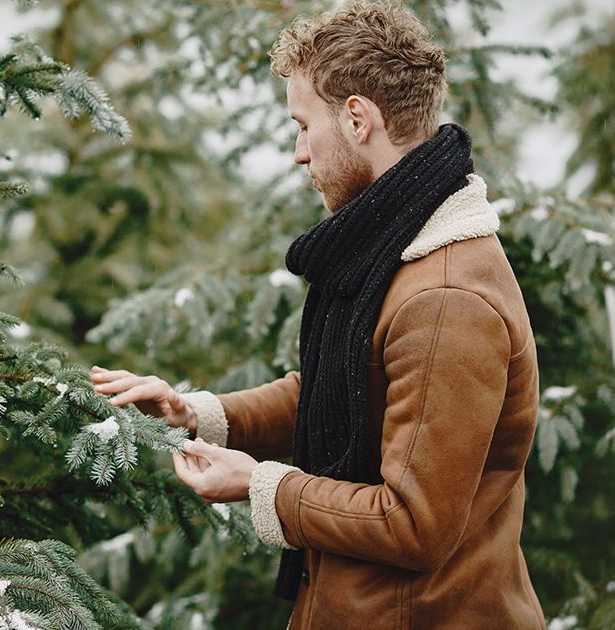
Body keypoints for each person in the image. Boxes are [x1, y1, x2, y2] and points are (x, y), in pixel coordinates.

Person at [90, 1, 546, 627]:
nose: (299, 153)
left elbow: (415, 525)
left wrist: (260, 486)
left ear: (358, 118)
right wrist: (196, 413)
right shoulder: (396, 249)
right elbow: (348, 393)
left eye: (304, 126)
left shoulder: (445, 303)